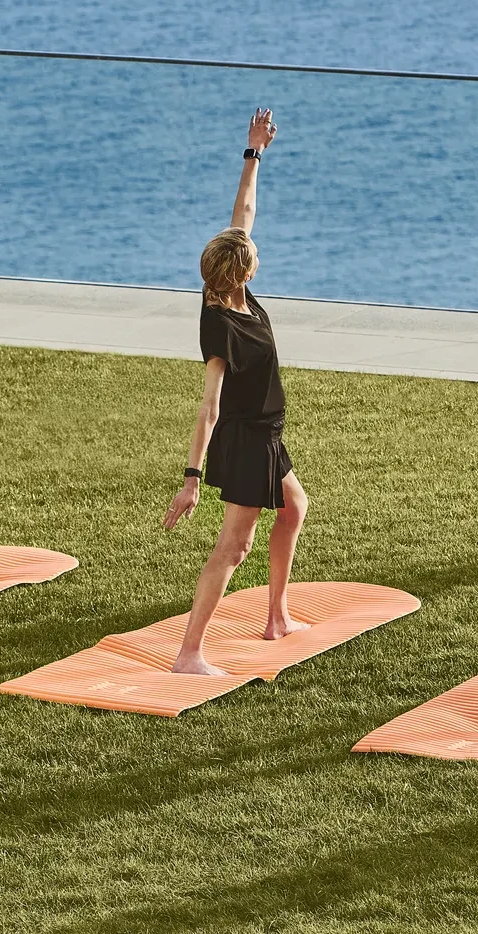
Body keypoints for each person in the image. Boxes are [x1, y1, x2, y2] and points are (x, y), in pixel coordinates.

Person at [160, 109, 311, 675]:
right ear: (241, 273)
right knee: (234, 546)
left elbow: (242, 214)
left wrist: (254, 153)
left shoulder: (235, 291)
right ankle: (189, 651)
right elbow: (209, 406)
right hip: (246, 441)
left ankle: (276, 615)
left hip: (268, 436)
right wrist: (192, 479)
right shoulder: (219, 323)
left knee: (294, 507)